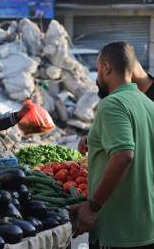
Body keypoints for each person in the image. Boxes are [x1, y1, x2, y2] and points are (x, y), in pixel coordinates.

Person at [69, 41, 154, 248]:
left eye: (98, 70)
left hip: (118, 233)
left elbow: (124, 155)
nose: (96, 78)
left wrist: (93, 207)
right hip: (146, 227)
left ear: (106, 67)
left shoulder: (112, 104)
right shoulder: (148, 104)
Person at [78, 60, 154, 155]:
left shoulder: (126, 98)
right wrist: (93, 137)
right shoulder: (121, 98)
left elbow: (125, 154)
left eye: (100, 72)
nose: (96, 80)